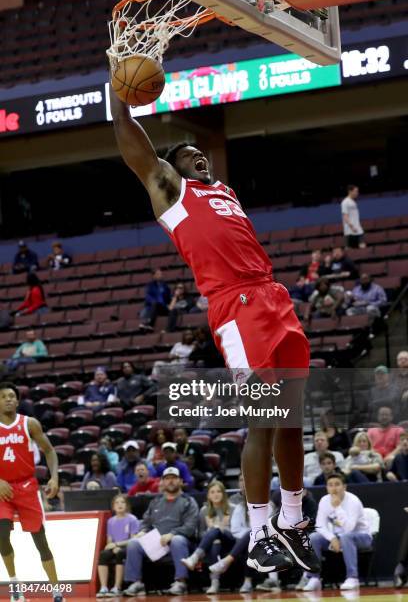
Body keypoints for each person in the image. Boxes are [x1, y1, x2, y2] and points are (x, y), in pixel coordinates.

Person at [111, 85, 319, 575]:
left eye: (202, 153)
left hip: (273, 296)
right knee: (263, 417)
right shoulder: (171, 193)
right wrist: (118, 96)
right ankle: (259, 532)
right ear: (171, 168)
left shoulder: (223, 192)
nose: (199, 157)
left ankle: (292, 522)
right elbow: (132, 143)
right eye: (188, 155)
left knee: (293, 419)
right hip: (236, 305)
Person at [0, 382, 62, 602]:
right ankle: (15, 584)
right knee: (2, 532)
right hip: (2, 490)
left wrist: (54, 477)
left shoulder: (30, 424)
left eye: (11, 396)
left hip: (27, 487)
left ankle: (56, 591)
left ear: (17, 401)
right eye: (4, 396)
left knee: (40, 540)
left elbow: (49, 450)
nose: (8, 399)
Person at [123, 467, 199, 596]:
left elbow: (190, 527)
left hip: (180, 542)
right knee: (134, 543)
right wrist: (142, 531)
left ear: (180, 481)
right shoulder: (155, 502)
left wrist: (172, 534)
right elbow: (146, 523)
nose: (170, 481)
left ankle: (181, 582)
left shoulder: (188, 501)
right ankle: (137, 583)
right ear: (162, 482)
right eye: (167, 479)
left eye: (174, 478)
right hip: (157, 544)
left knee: (177, 540)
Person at [300, 473, 372, 591]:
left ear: (344, 487)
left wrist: (337, 508)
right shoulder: (324, 500)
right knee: (313, 537)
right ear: (327, 488)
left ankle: (352, 578)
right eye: (330, 485)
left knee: (346, 537)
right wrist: (332, 538)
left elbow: (349, 528)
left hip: (362, 537)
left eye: (337, 484)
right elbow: (320, 525)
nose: (334, 488)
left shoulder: (353, 501)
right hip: (338, 537)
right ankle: (314, 578)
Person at [182, 480, 234, 593]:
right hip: (212, 544)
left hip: (230, 541)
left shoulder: (233, 508)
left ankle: (195, 557)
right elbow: (200, 534)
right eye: (212, 492)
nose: (216, 494)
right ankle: (215, 582)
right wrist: (210, 531)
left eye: (219, 491)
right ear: (208, 495)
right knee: (215, 541)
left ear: (224, 494)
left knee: (215, 529)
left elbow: (235, 531)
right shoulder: (204, 511)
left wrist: (221, 529)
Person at [97, 494, 140, 597]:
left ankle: (117, 587)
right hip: (115, 546)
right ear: (113, 506)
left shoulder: (132, 519)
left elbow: (134, 539)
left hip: (127, 546)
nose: (119, 504)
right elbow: (109, 541)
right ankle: (103, 587)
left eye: (122, 502)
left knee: (120, 554)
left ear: (127, 505)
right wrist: (112, 546)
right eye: (117, 502)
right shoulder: (111, 521)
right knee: (103, 555)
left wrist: (117, 545)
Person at [341, 185, 365, 249]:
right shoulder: (345, 202)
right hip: (349, 231)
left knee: (362, 246)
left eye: (357, 191)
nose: (357, 193)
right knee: (348, 250)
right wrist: (352, 227)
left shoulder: (353, 202)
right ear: (350, 191)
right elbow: (345, 216)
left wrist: (357, 226)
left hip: (358, 229)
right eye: (356, 191)